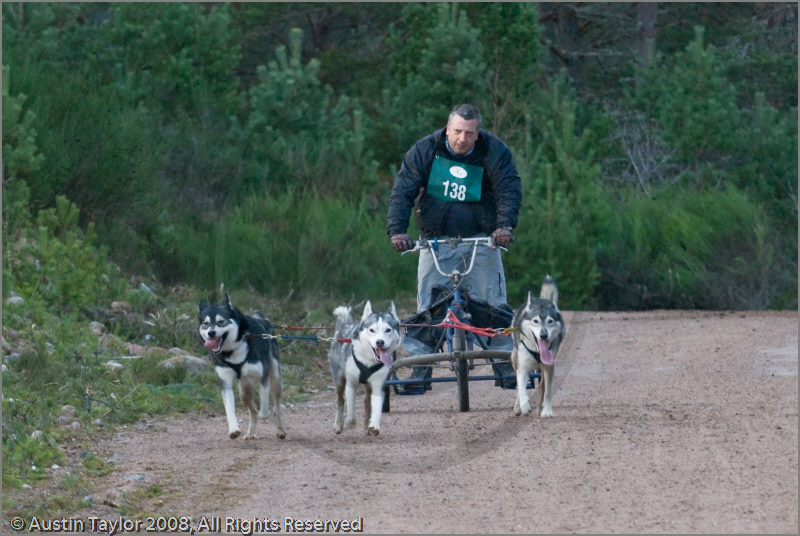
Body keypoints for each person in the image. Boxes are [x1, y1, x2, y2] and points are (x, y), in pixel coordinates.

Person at [386, 104, 522, 391]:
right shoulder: (425, 150)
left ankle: (504, 365)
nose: (463, 139)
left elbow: (508, 188)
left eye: (470, 133)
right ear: (447, 129)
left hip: (482, 241)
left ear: (477, 133)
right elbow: (404, 190)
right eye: (458, 131)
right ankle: (421, 372)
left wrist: (504, 226)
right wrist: (397, 230)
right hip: (435, 242)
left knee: (493, 306)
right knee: (428, 309)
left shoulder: (493, 150)